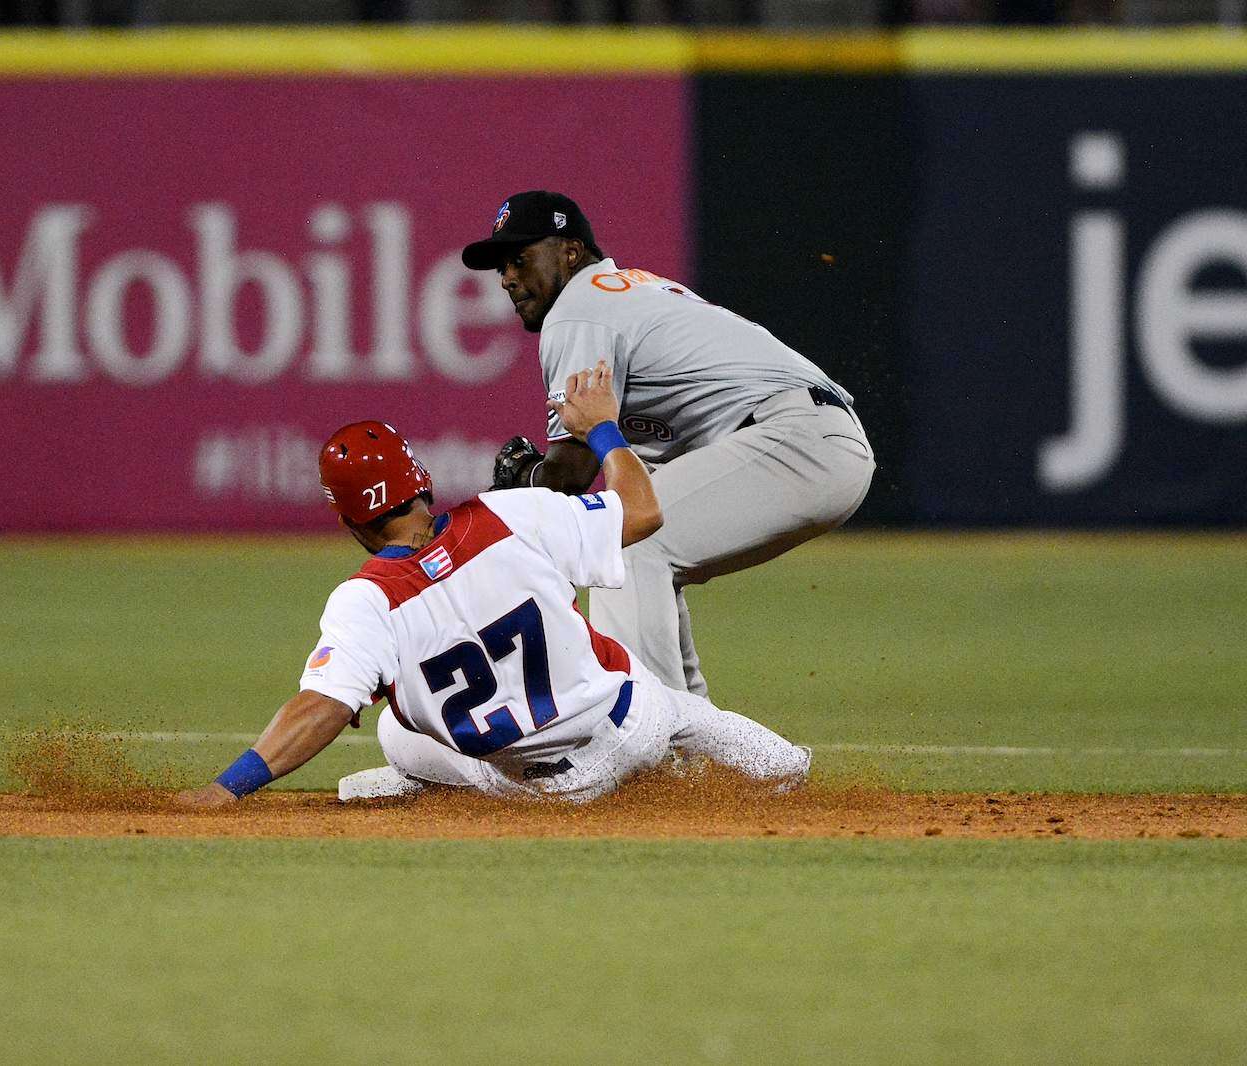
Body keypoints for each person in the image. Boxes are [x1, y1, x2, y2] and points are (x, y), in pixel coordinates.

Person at [178, 362, 810, 808]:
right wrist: (603, 431)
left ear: (347, 520)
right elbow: (643, 511)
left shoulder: (365, 601)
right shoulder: (512, 513)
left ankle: (414, 789)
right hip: (629, 727)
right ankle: (788, 773)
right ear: (420, 481)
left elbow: (321, 708)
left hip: (547, 794)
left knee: (398, 732)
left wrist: (226, 787)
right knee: (677, 710)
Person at [464, 191, 874, 698]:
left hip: (792, 439)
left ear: (569, 251)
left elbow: (567, 476)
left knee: (624, 536)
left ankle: (644, 735)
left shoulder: (576, 310)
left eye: (519, 258)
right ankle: (696, 750)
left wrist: (525, 476)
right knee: (642, 538)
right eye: (501, 266)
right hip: (813, 439)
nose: (507, 277)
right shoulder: (628, 290)